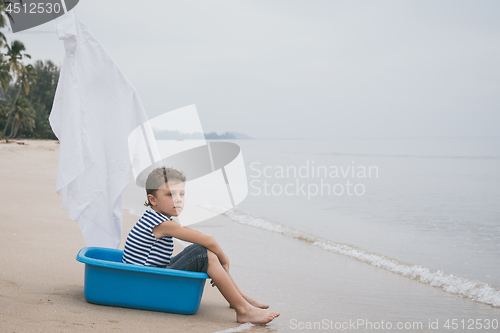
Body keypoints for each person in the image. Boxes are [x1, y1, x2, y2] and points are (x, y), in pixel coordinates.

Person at [122, 166, 280, 324]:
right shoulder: (162, 224)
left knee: (199, 250)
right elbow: (209, 241)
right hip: (146, 283)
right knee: (204, 254)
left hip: (146, 275)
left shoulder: (156, 217)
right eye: (170, 194)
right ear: (153, 199)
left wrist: (214, 256)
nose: (178, 199)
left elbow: (199, 237)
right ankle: (243, 310)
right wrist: (224, 260)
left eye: (181, 194)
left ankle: (239, 299)